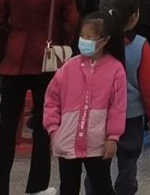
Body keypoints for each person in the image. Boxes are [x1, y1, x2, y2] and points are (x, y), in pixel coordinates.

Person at [0, 0, 81, 195]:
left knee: (7, 129)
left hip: (15, 60)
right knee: (43, 126)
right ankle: (37, 186)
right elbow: (71, 20)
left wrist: (8, 44)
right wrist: (61, 43)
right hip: (47, 61)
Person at [43, 13, 125, 195]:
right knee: (68, 187)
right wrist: (53, 130)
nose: (84, 41)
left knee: (102, 186)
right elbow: (51, 99)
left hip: (98, 143)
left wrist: (113, 137)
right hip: (67, 140)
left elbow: (117, 108)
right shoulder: (68, 67)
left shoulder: (115, 69)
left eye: (90, 37)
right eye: (82, 36)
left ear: (104, 40)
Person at [104, 0, 150, 195]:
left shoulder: (102, 42)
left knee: (99, 160)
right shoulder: (141, 45)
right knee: (128, 160)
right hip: (131, 112)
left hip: (103, 111)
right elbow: (147, 86)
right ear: (135, 16)